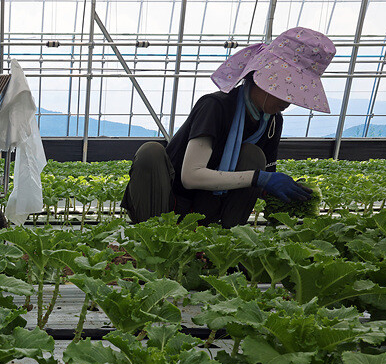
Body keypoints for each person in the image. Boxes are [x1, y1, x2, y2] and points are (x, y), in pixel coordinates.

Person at [122, 27, 335, 228]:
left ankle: (225, 238)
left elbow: (264, 179)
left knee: (253, 155)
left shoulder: (272, 121)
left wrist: (288, 193)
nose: (289, 101)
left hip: (210, 209)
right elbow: (190, 176)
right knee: (150, 152)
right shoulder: (215, 106)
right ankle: (151, 234)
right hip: (170, 203)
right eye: (286, 89)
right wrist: (258, 178)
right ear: (262, 79)